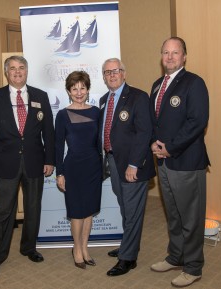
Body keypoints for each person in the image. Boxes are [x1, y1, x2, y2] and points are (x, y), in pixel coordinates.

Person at [0, 55, 55, 276]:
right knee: (3, 211)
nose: (17, 72)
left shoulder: (40, 96)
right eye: (12, 68)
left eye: (21, 68)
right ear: (6, 72)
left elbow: (48, 132)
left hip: (34, 161)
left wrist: (50, 159)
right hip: (4, 163)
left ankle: (28, 247)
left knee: (33, 207)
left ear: (27, 71)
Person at [149, 37, 210, 287]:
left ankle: (193, 266)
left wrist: (170, 148)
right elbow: (154, 121)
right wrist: (153, 142)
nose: (170, 57)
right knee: (173, 214)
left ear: (184, 56)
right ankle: (176, 256)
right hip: (163, 163)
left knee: (191, 217)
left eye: (176, 52)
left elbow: (198, 121)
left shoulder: (194, 83)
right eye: (166, 52)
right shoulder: (156, 85)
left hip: (186, 161)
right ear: (161, 56)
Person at [99, 58, 156, 276]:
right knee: (125, 208)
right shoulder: (105, 99)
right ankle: (129, 244)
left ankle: (128, 258)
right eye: (107, 72)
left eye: (116, 71)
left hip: (133, 165)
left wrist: (134, 164)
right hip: (113, 161)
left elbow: (144, 133)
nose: (112, 75)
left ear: (124, 73)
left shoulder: (138, 97)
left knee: (132, 212)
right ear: (104, 77)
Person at [55, 71, 102, 269]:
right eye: (74, 88)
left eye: (82, 87)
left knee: (89, 211)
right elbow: (58, 147)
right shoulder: (62, 115)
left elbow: (100, 142)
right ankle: (76, 249)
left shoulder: (96, 112)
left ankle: (85, 248)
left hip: (93, 166)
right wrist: (60, 173)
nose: (79, 92)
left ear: (88, 89)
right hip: (73, 167)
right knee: (76, 211)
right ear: (68, 91)